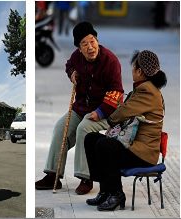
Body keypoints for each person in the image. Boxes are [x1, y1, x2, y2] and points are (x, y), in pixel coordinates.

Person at [35, 21, 124, 195]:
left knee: (84, 129)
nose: (90, 47)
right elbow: (69, 65)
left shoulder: (110, 61)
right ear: (79, 47)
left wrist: (99, 113)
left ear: (97, 40)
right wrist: (72, 74)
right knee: (60, 128)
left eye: (92, 41)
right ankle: (53, 175)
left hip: (107, 110)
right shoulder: (77, 57)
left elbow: (117, 92)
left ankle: (86, 177)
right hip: (82, 107)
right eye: (85, 44)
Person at [84, 50, 166, 211]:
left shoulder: (147, 91)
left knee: (105, 145)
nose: (132, 71)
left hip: (143, 154)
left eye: (134, 67)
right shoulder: (143, 88)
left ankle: (116, 194)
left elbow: (123, 112)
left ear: (140, 71)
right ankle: (105, 191)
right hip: (133, 146)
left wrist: (110, 119)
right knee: (92, 138)